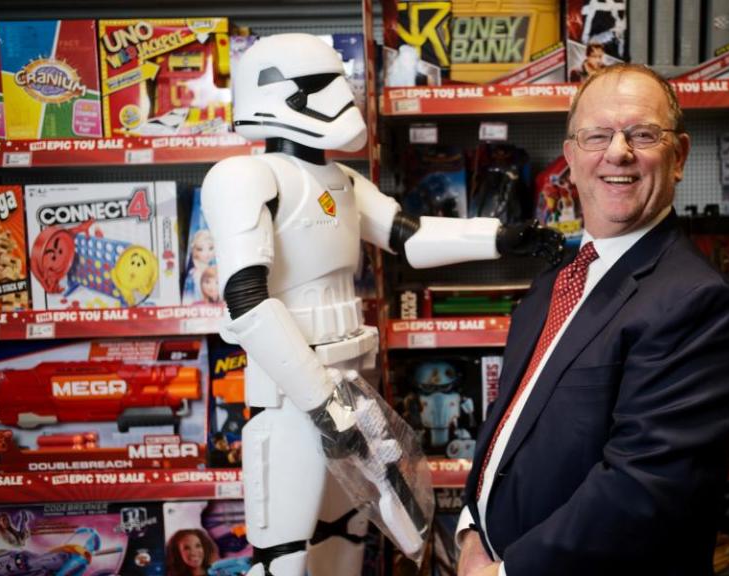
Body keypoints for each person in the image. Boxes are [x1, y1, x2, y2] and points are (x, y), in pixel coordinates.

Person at [201, 34, 562, 576]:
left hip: (350, 385)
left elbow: (409, 236)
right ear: (280, 94)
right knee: (286, 558)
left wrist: (500, 237)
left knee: (348, 540)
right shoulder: (246, 177)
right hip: (293, 398)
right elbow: (246, 300)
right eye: (323, 86)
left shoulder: (344, 180)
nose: (342, 98)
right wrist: (319, 399)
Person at [456, 64, 729, 576]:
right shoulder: (555, 283)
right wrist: (470, 529)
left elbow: (642, 491)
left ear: (679, 156)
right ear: (571, 160)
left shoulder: (698, 304)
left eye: (642, 134)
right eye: (598, 135)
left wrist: (504, 572)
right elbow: (510, 423)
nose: (618, 152)